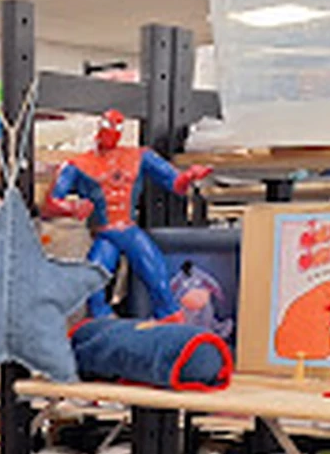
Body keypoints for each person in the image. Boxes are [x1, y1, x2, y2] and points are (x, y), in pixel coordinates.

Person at [43, 110, 211, 318]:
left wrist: (189, 176)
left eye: (117, 127)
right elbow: (50, 204)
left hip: (128, 229)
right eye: (108, 126)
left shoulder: (139, 156)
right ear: (99, 128)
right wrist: (72, 207)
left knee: (155, 272)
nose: (112, 132)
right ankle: (101, 320)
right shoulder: (76, 165)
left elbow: (175, 183)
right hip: (105, 232)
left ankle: (169, 315)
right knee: (94, 280)